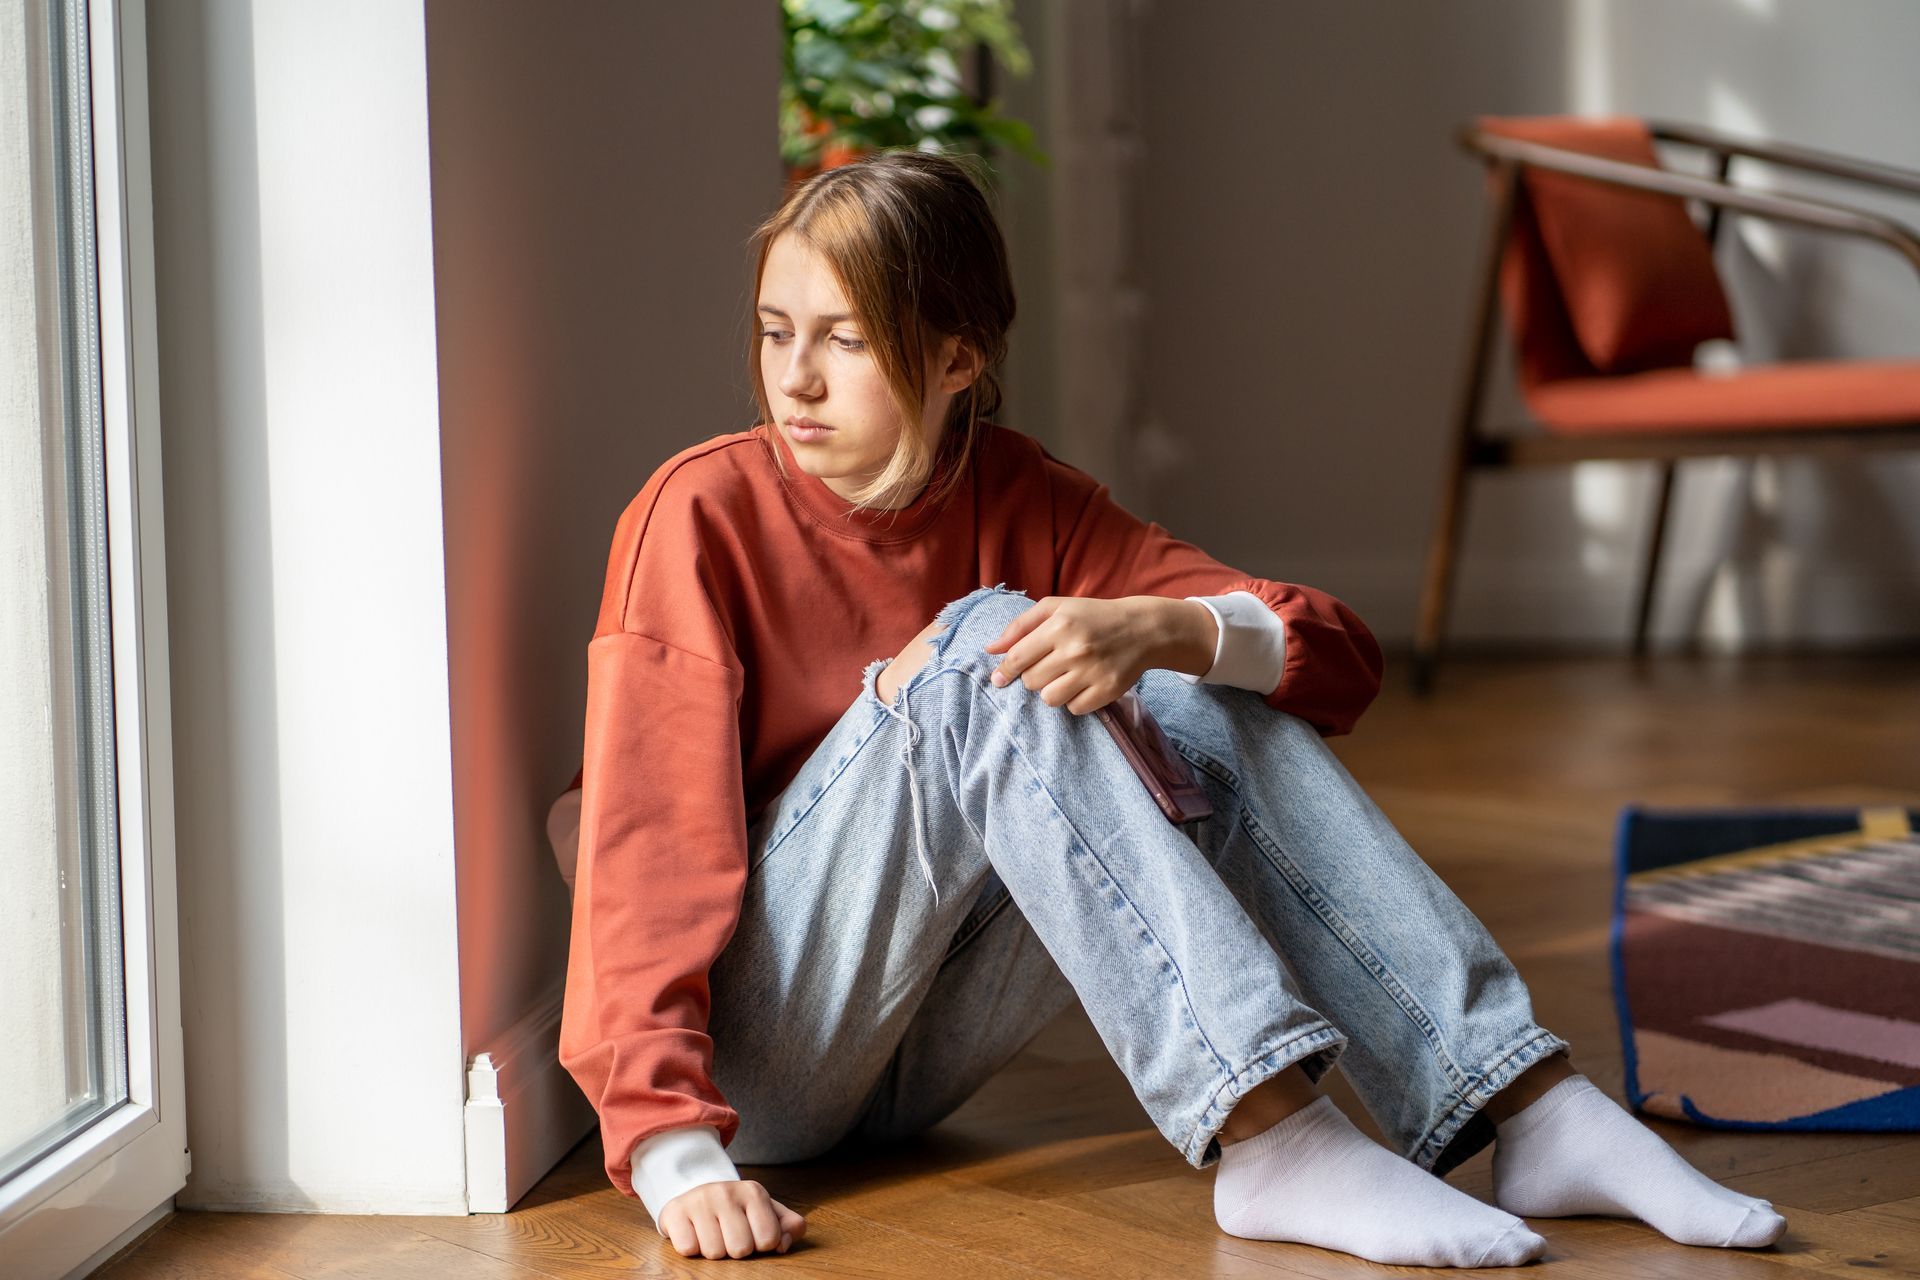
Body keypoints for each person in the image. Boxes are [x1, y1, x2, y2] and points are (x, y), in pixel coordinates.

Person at [557, 148, 1789, 1266]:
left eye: (846, 340)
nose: (795, 378)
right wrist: (671, 1147)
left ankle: (1530, 1102)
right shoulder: (698, 512)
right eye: (776, 332)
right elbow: (640, 845)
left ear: (955, 359)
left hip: (917, 1053)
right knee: (986, 647)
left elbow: (1335, 656)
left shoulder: (1027, 495)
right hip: (759, 1060)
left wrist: (1167, 628)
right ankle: (1274, 1135)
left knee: (1191, 687)